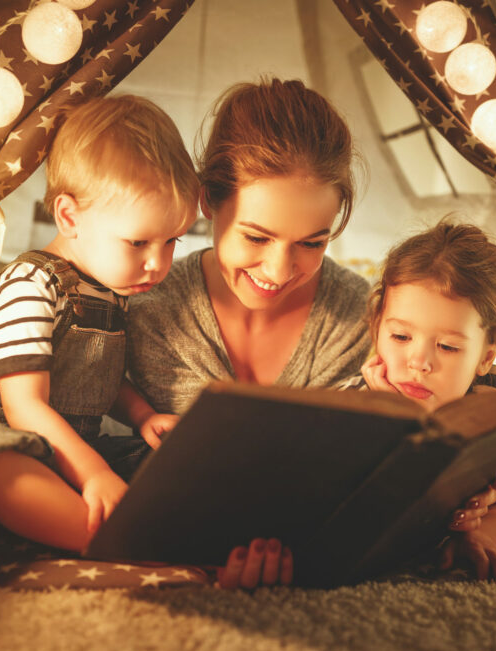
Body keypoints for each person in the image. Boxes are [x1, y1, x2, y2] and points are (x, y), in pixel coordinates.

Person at [126, 78, 372, 588]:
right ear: (208, 202)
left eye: (312, 242)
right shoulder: (151, 308)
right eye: (257, 236)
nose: (279, 271)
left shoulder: (361, 318)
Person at [0, 94, 199, 552]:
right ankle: (118, 547)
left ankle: (145, 530)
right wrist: (94, 472)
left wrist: (141, 416)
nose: (158, 263)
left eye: (172, 241)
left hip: (75, 449)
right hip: (5, 435)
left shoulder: (108, 289)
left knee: (171, 467)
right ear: (69, 216)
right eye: (138, 241)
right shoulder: (31, 285)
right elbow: (24, 407)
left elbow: (97, 378)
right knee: (0, 465)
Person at [357, 220, 496, 586]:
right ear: (376, 330)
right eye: (400, 336)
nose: (419, 362)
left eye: (448, 346)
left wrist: (479, 535)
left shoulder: (491, 407)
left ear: (486, 357)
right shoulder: (353, 406)